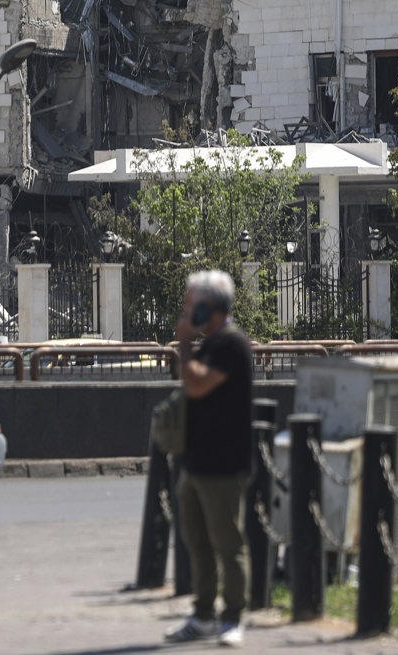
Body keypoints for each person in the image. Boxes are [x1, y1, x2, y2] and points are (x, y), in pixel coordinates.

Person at [164, 270, 253, 648]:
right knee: (197, 542)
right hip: (197, 460)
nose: (186, 312)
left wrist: (184, 342)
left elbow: (196, 384)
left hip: (224, 463)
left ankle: (232, 617)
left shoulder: (233, 344)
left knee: (228, 544)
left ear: (210, 306)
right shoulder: (213, 343)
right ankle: (202, 615)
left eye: (191, 304)